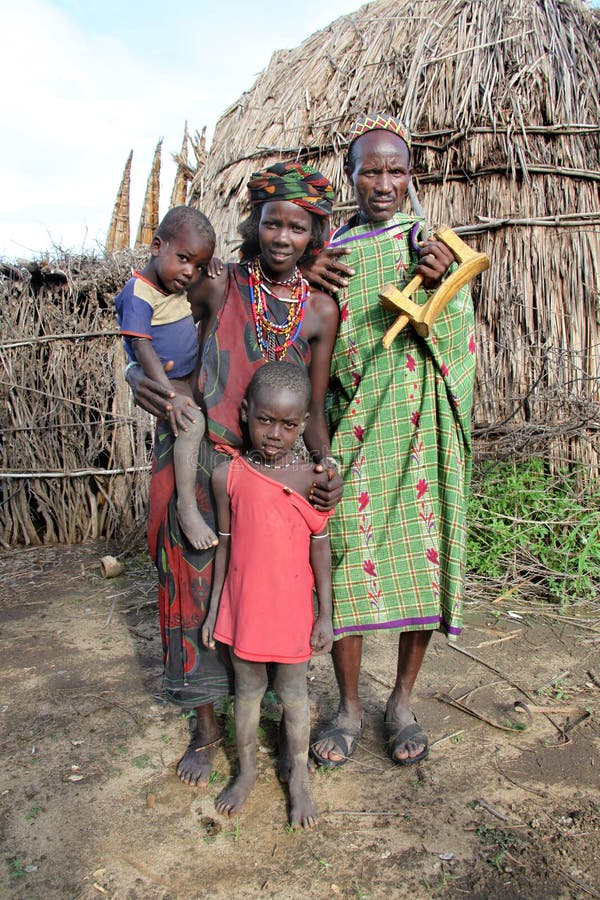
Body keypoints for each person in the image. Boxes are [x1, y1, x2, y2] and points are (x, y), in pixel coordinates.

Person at [127, 163, 342, 787]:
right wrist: (139, 380)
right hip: (202, 458)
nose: (281, 237)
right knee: (192, 588)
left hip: (277, 471)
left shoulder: (321, 311)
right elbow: (154, 321)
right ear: (254, 225)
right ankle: (206, 728)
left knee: (269, 585)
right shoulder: (220, 286)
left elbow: (319, 407)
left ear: (313, 235)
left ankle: (276, 709)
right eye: (271, 222)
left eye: (297, 228)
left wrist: (324, 468)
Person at [305, 113, 477, 768]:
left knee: (421, 563)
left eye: (394, 170)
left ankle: (401, 701)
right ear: (350, 177)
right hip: (353, 433)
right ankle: (349, 706)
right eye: (369, 170)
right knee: (347, 566)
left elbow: (460, 342)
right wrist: (307, 279)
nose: (382, 182)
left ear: (412, 176)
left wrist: (442, 287)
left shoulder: (430, 248)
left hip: (420, 428)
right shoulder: (332, 256)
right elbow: (308, 339)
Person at [202, 362, 333, 828]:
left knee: (295, 697)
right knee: (248, 694)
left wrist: (325, 615)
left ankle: (298, 779)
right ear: (245, 412)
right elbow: (225, 544)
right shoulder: (227, 476)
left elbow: (321, 551)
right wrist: (217, 607)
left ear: (302, 425)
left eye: (289, 424)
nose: (274, 433)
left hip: (293, 610)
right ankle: (247, 774)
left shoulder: (312, 480)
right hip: (245, 609)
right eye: (264, 420)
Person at [115, 206, 218, 550]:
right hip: (166, 379)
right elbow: (141, 347)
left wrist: (212, 267)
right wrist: (168, 396)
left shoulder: (174, 285)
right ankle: (187, 507)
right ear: (157, 246)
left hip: (190, 375)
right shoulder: (138, 292)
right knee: (190, 424)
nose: (190, 272)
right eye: (185, 259)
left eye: (199, 266)